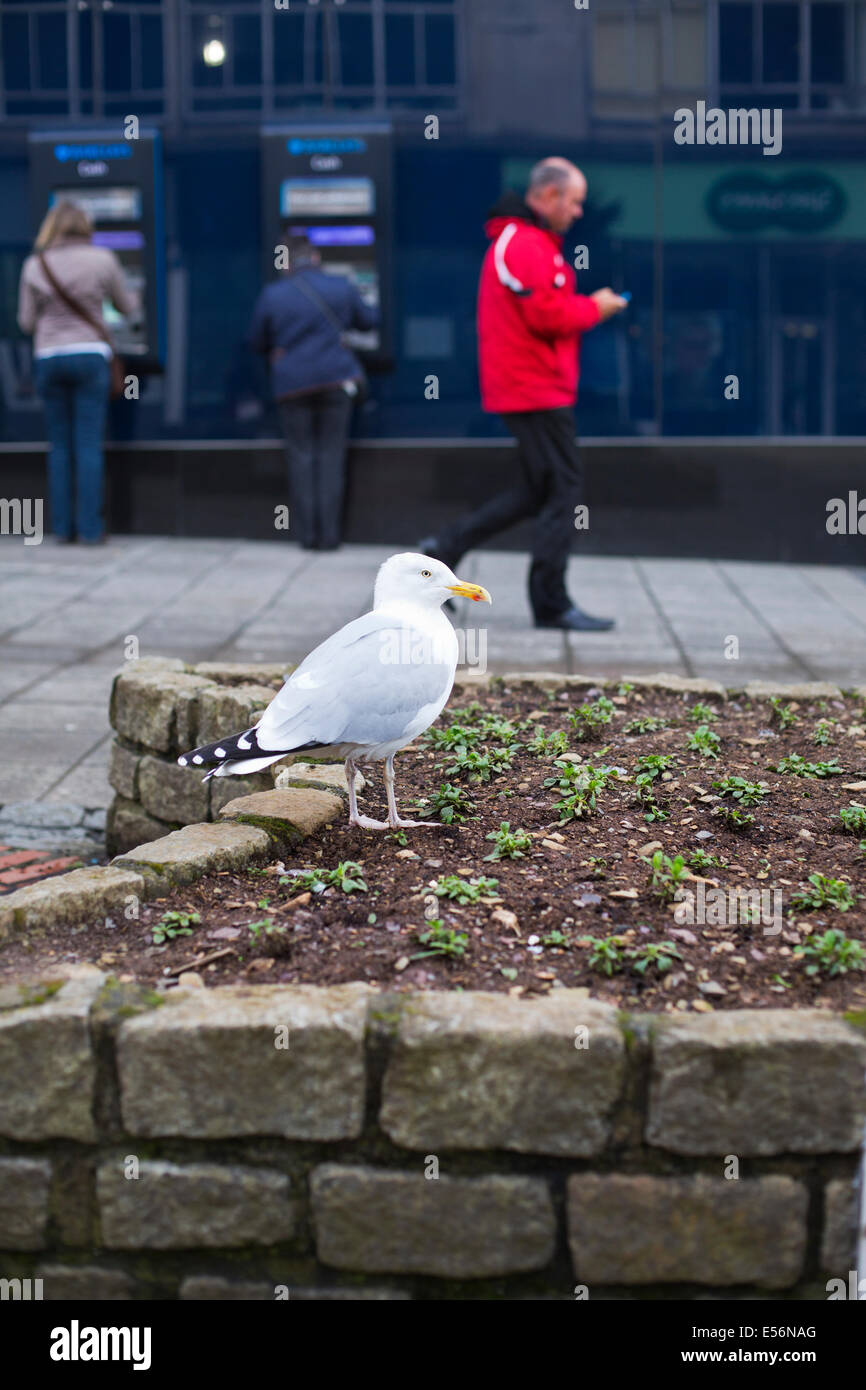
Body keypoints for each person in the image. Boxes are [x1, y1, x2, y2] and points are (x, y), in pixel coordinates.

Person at [421, 158, 628, 630]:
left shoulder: (527, 242)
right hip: (534, 390)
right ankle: (551, 604)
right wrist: (596, 307)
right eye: (574, 201)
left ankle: (440, 553)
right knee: (564, 489)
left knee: (541, 490)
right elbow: (548, 316)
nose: (578, 212)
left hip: (533, 387)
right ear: (549, 196)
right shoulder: (523, 243)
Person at [17, 199, 137, 544]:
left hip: (49, 357)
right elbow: (126, 307)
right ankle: (89, 529)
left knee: (59, 446)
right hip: (89, 354)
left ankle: (62, 529)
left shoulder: (34, 265)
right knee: (87, 445)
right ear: (85, 227)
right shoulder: (103, 259)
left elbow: (25, 322)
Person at [249, 233, 377, 551]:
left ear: (287, 262)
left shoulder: (273, 294)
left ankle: (308, 536)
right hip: (336, 380)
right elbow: (370, 320)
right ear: (316, 257)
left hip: (292, 385)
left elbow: (255, 340)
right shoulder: (341, 286)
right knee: (332, 456)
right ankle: (331, 536)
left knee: (302, 457)